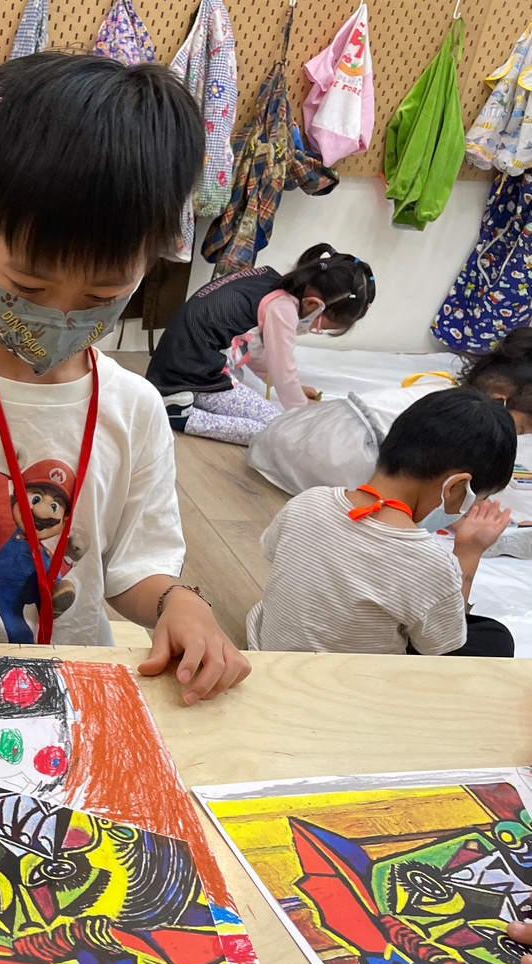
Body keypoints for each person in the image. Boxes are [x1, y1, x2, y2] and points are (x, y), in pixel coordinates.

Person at [0, 52, 250, 704]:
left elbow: (136, 567)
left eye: (100, 297)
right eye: (28, 287)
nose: (58, 315)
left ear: (147, 266)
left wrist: (177, 602)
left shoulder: (135, 408)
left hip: (71, 681)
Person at [248, 389, 517, 656]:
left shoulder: (309, 500)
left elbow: (274, 553)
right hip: (346, 680)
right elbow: (443, 648)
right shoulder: (428, 563)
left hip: (266, 652)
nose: (466, 511)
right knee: (496, 638)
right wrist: (468, 553)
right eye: (473, 500)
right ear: (455, 486)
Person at [247, 326, 532, 495]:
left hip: (290, 433)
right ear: (499, 400)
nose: (514, 436)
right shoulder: (468, 421)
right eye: (519, 428)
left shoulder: (439, 385)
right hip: (332, 458)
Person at [146, 244, 377, 445]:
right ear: (314, 305)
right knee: (278, 429)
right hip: (191, 374)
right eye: (323, 327)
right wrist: (304, 418)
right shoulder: (283, 308)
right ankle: (181, 415)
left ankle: (181, 399)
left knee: (244, 383)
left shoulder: (270, 282)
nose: (317, 330)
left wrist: (290, 388)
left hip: (178, 364)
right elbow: (283, 370)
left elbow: (256, 350)